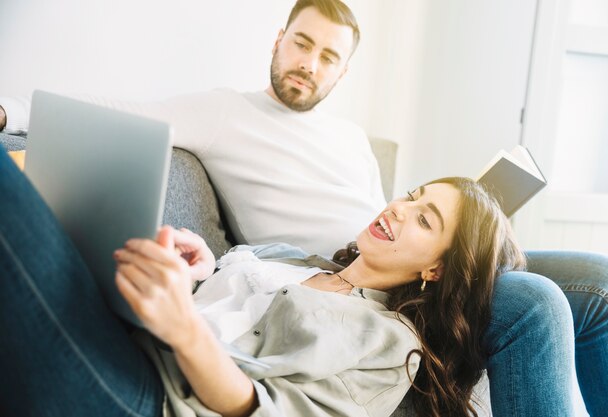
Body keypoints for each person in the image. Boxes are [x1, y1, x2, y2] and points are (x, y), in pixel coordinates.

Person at [1, 0, 608, 415]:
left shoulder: (352, 145)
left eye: (328, 56)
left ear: (343, 71)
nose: (309, 63)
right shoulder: (228, 118)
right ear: (279, 42)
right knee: (555, 296)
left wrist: (446, 226)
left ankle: (479, 249)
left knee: (600, 287)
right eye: (302, 44)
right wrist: (207, 270)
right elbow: (118, 113)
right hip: (326, 270)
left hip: (380, 285)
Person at [0, 146, 525, 416]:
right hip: (126, 337)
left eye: (426, 220)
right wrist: (207, 273)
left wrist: (186, 329)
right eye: (412, 195)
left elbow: (261, 410)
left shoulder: (391, 345)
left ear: (435, 269)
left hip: (149, 396)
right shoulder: (298, 261)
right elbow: (237, 308)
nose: (400, 210)